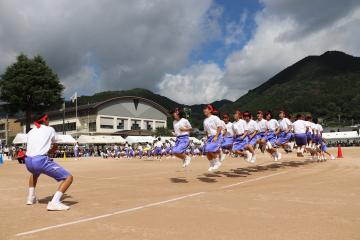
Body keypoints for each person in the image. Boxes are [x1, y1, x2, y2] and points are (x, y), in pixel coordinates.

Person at [25, 113, 73, 211]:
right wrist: (50, 152)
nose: (49, 121)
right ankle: (54, 202)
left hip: (28, 161)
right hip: (40, 160)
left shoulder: (30, 132)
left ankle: (31, 197)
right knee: (68, 177)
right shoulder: (50, 129)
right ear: (44, 120)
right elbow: (55, 146)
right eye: (48, 119)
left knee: (35, 173)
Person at [203, 105, 223, 171]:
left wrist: (216, 136)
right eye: (204, 109)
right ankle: (212, 164)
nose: (204, 110)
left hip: (216, 136)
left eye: (205, 109)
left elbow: (219, 127)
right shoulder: (205, 121)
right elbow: (206, 131)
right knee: (206, 151)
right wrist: (206, 137)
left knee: (210, 149)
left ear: (210, 110)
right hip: (209, 137)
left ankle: (217, 162)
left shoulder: (215, 118)